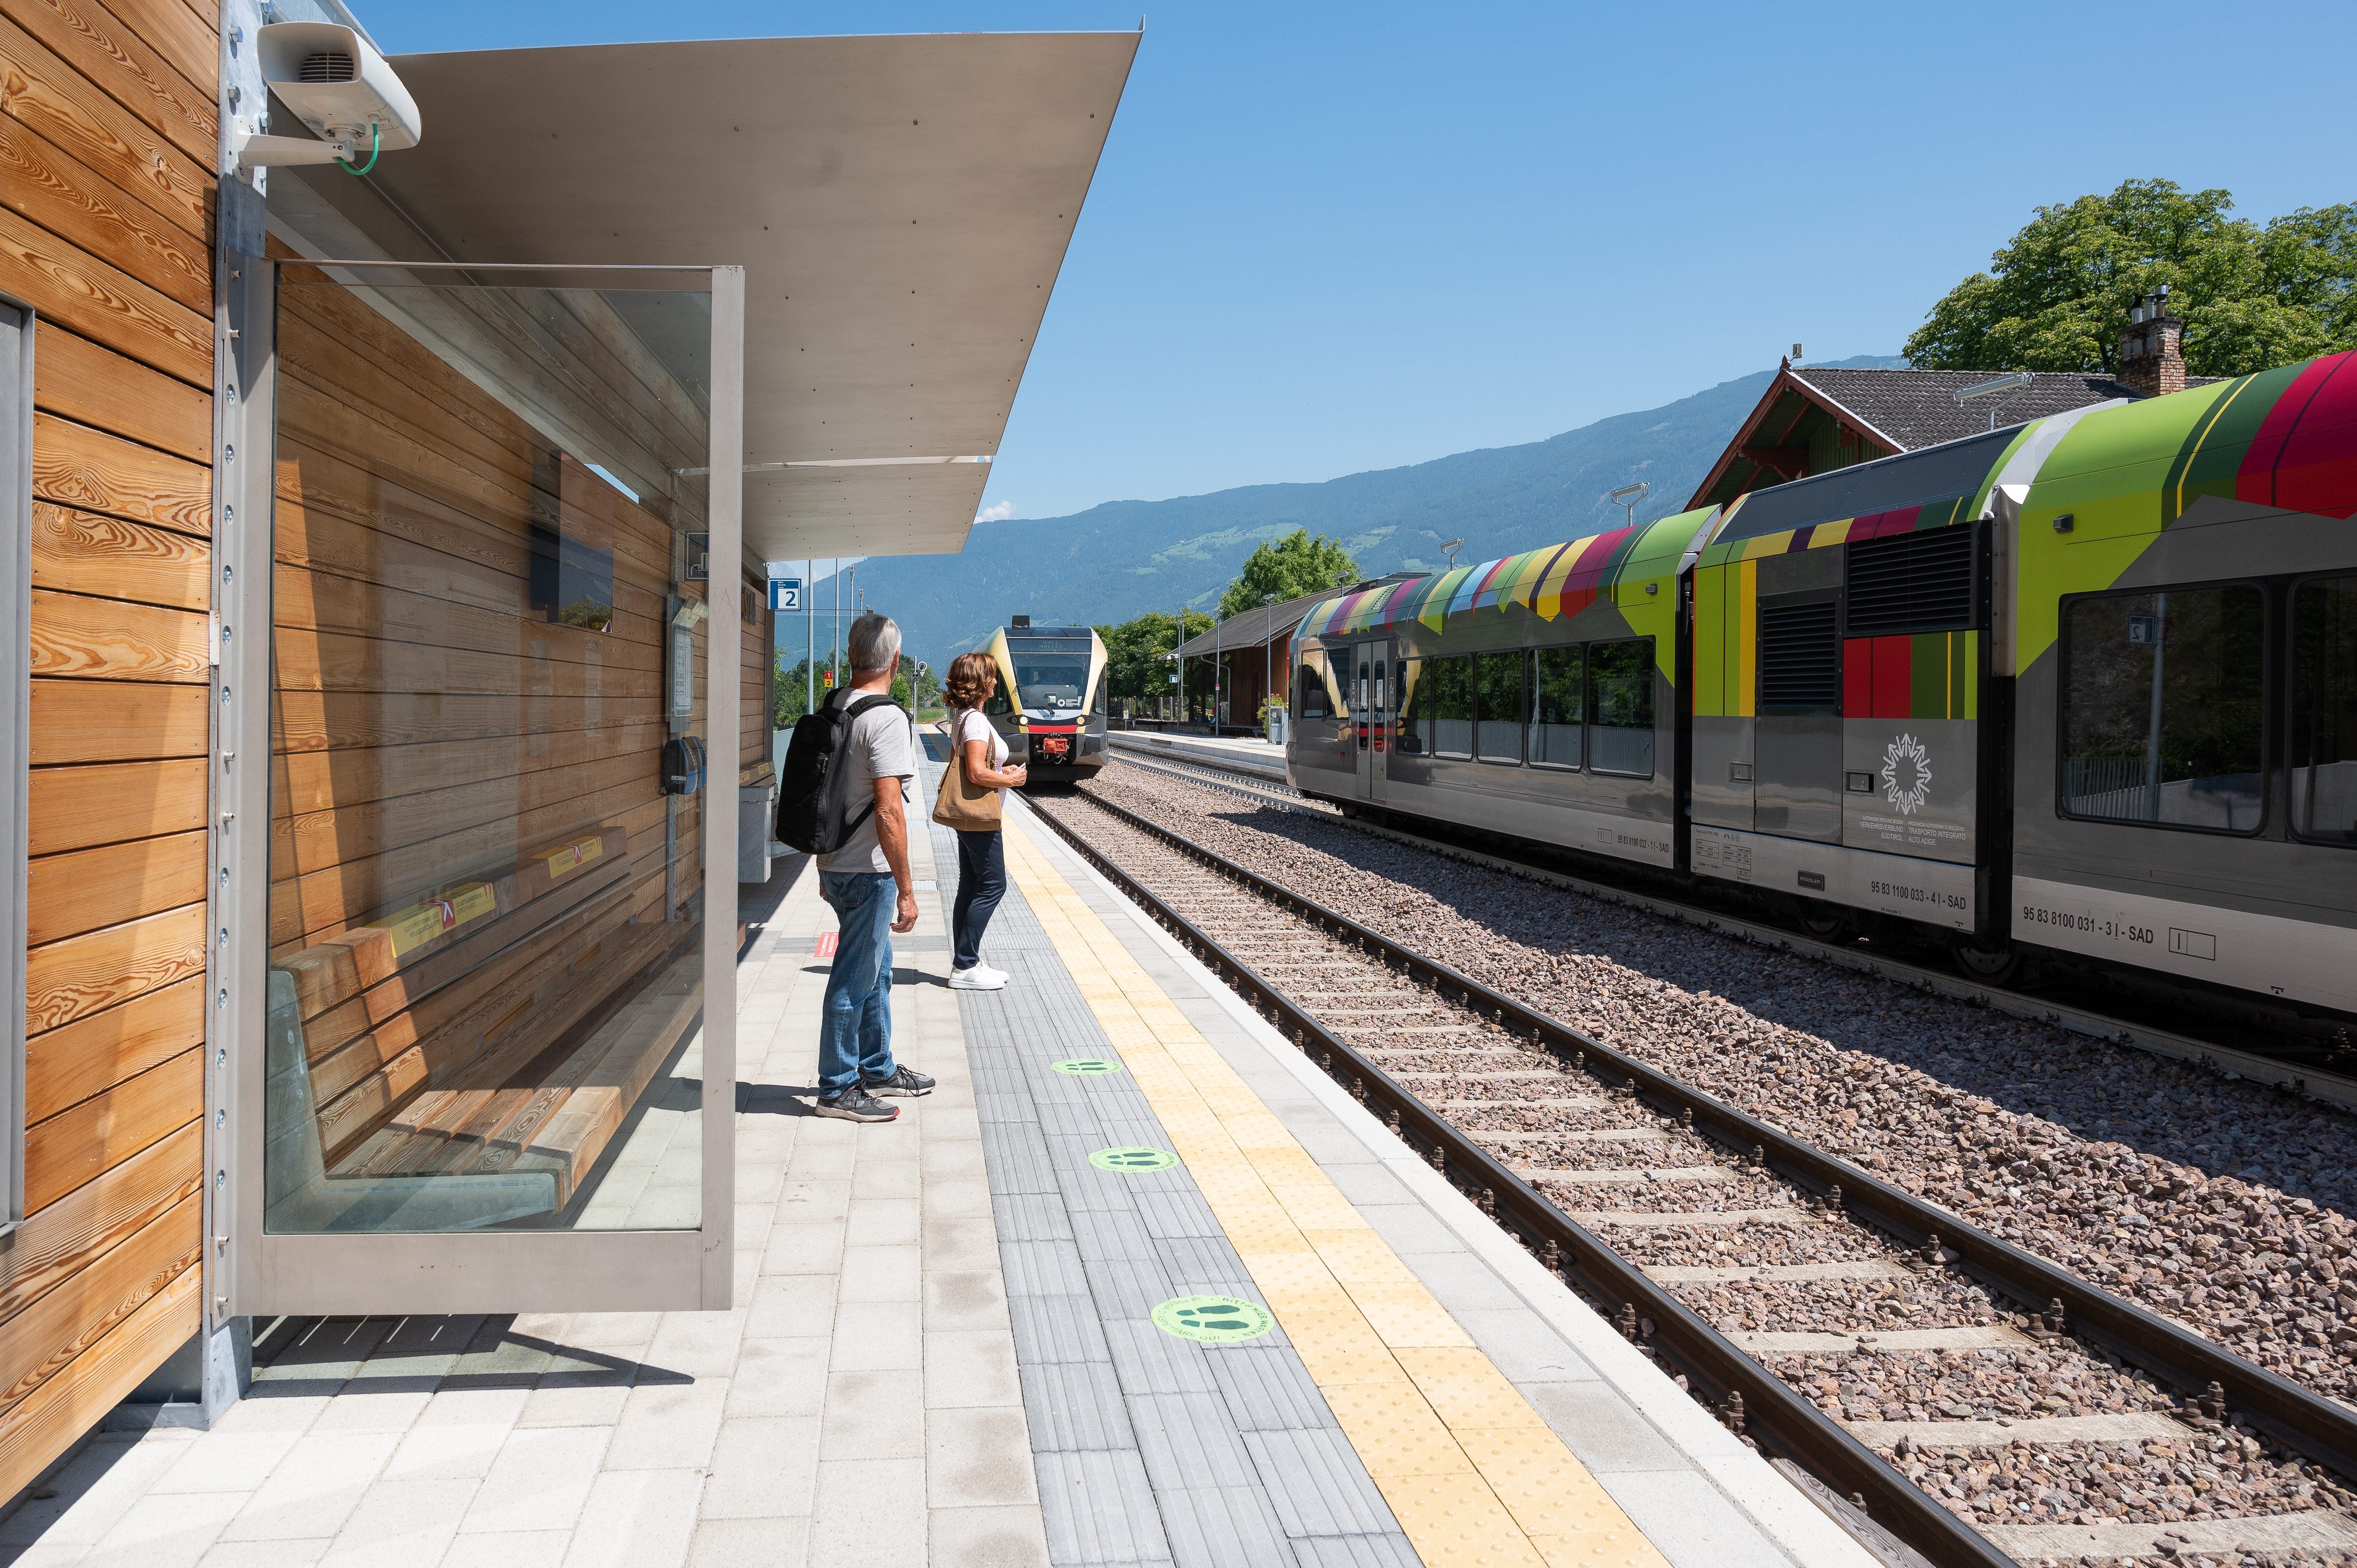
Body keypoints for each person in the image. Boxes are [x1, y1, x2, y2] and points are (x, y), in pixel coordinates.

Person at [813, 612, 936, 1122]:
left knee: (876, 972)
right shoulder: (886, 718)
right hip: (868, 872)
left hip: (837, 862)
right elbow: (888, 809)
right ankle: (838, 1087)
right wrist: (906, 889)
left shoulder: (836, 703)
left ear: (851, 656)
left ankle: (877, 1065)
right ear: (895, 660)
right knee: (853, 978)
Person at [942, 651, 1027, 989]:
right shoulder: (975, 721)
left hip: (971, 817)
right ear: (980, 682)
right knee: (994, 885)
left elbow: (977, 766)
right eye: (991, 676)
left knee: (971, 883)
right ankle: (965, 965)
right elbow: (975, 772)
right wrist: (1009, 780)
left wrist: (999, 770)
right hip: (980, 816)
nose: (995, 681)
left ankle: (969, 960)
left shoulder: (964, 716)